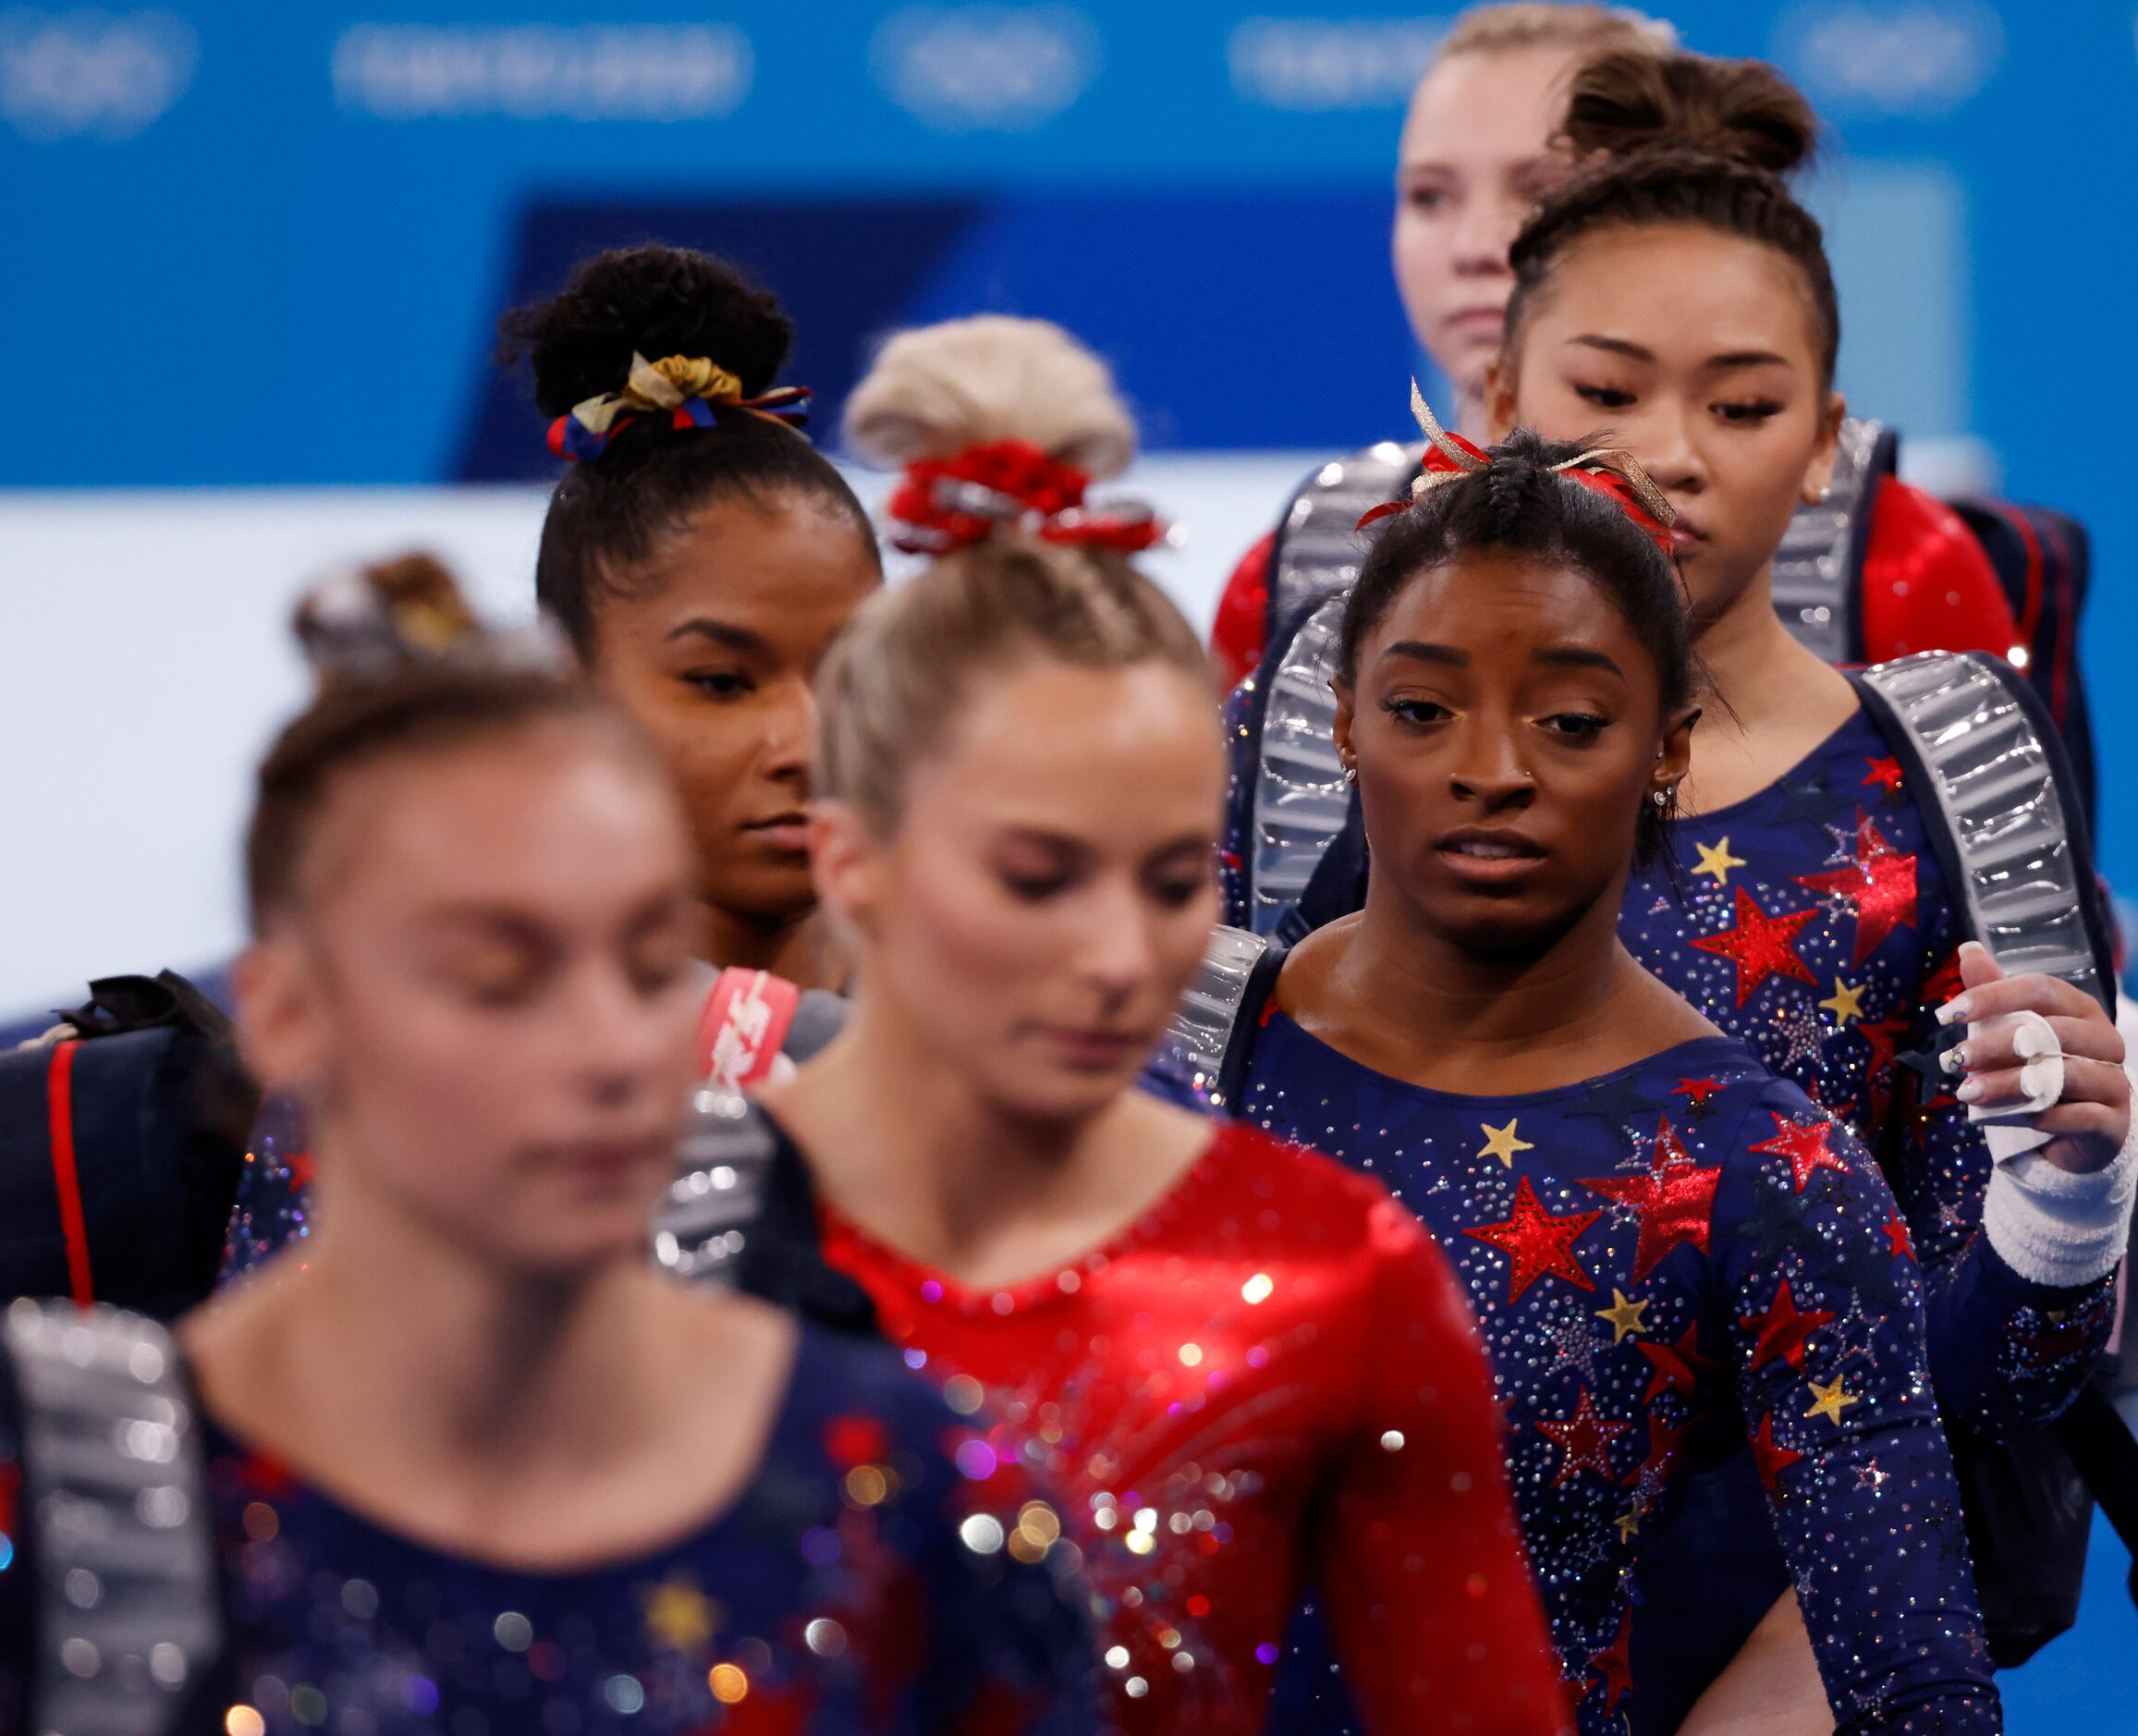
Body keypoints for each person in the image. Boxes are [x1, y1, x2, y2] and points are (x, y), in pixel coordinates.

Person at [0, 568, 1096, 1736]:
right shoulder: (81, 1488)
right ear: (285, 1014)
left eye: (643, 963)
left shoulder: (900, 1483)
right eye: (500, 977)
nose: (612, 1049)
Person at [690, 316, 1570, 1735]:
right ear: (853, 861)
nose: (1117, 956)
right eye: (1036, 876)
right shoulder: (642, 1243)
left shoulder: (1337, 1273)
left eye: (1170, 881)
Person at [1162, 427, 2002, 1733]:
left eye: (1565, 720)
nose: (1488, 771)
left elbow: (1917, 1691)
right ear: (1338, 722)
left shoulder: (1768, 1170)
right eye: (1421, 709)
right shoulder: (1157, 1058)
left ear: (1663, 746)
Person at [226, 246, 880, 1273]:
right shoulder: (408, 1049)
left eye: (846, 671)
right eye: (720, 682)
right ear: (567, 689)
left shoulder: (992, 1007)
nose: (806, 743)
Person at [1205, 2, 2022, 701]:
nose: (1476, 245)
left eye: (1538, 188)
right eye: (1429, 196)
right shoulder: (1303, 565)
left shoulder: (1897, 562)